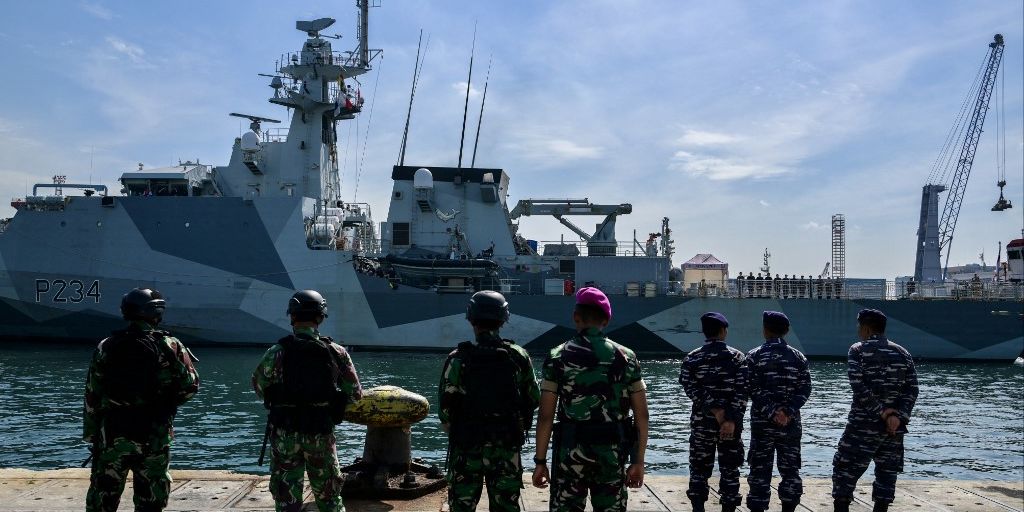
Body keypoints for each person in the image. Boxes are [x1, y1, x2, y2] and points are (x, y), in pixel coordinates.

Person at [532, 287, 649, 512]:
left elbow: (545, 416)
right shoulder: (627, 357)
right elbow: (641, 415)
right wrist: (638, 461)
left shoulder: (558, 356)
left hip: (569, 455)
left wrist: (540, 462)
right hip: (612, 455)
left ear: (576, 317)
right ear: (607, 319)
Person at [84, 288, 200, 512]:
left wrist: (93, 436)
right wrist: (165, 406)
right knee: (150, 503)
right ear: (157, 312)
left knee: (102, 500)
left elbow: (92, 396)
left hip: (112, 435)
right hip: (154, 435)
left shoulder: (106, 346)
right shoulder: (170, 345)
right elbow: (191, 386)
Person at [252, 290, 362, 512]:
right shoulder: (336, 352)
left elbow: (259, 386)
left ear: (292, 317)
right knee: (329, 499)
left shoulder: (277, 352)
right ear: (320, 318)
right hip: (320, 433)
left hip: (285, 435)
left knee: (286, 500)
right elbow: (355, 393)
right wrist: (332, 405)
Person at [439, 291, 540, 512]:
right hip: (505, 445)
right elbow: (533, 398)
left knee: (461, 507)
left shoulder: (457, 358)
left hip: (466, 446)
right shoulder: (518, 356)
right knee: (505, 506)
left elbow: (445, 411)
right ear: (504, 319)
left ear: (470, 318)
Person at [831, 309, 919, 512]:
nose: (858, 330)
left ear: (867, 328)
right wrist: (898, 416)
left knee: (845, 471)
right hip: (893, 429)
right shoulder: (902, 353)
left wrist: (881, 412)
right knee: (886, 476)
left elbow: (858, 385)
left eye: (859, 326)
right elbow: (912, 389)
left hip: (862, 426)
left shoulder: (858, 350)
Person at [744, 311, 811, 512]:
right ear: (787, 331)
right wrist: (787, 412)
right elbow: (805, 388)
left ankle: (758, 507)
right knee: (790, 470)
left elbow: (751, 388)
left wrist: (772, 411)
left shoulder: (754, 356)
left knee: (759, 470)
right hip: (790, 425)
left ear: (765, 330)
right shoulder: (798, 357)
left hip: (762, 425)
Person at [679, 312, 747, 512]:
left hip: (702, 424)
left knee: (699, 470)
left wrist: (714, 409)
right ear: (723, 331)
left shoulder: (692, 358)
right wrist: (730, 420)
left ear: (704, 331)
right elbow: (742, 391)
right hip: (731, 427)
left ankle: (698, 508)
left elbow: (690, 389)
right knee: (730, 469)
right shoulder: (738, 357)